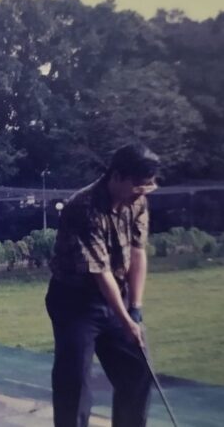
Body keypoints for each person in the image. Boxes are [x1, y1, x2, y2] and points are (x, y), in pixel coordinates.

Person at [46, 144, 160, 427]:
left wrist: (136, 309)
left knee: (137, 369)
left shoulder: (138, 200)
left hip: (115, 296)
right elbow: (101, 272)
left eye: (147, 188)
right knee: (75, 384)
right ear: (117, 176)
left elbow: (137, 252)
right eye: (137, 186)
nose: (141, 193)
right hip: (75, 303)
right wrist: (125, 319)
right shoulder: (82, 207)